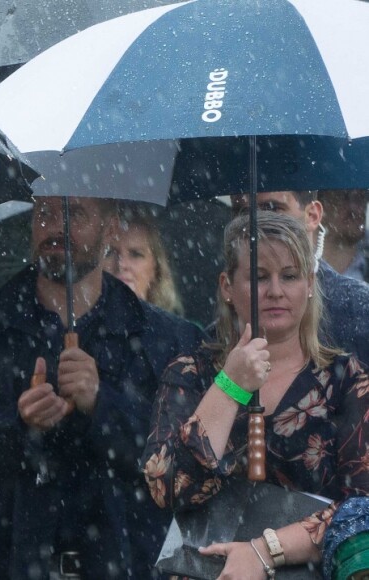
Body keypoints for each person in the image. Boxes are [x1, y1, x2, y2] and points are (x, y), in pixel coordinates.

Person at [0, 196, 205, 579]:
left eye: (74, 213)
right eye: (44, 213)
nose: (56, 227)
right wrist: (17, 425)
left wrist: (103, 404)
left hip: (126, 565)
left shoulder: (167, 341)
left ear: (111, 227)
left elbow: (183, 468)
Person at [143, 211, 369, 578]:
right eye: (259, 276)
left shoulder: (346, 380)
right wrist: (229, 385)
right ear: (227, 286)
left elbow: (362, 507)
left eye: (290, 276)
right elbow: (166, 487)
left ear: (310, 284)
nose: (275, 290)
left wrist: (264, 550)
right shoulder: (190, 372)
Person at [230, 190, 369, 365]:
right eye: (241, 213)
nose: (254, 224)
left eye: (271, 209)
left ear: (312, 215)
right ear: (226, 287)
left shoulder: (359, 310)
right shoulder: (218, 331)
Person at [103, 203, 184, 315]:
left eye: (135, 254)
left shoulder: (182, 331)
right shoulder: (76, 326)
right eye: (110, 253)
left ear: (156, 268)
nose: (121, 264)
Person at [317, 189, 369, 283]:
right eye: (345, 197)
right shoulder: (297, 257)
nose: (356, 209)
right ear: (320, 206)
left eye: (361, 198)